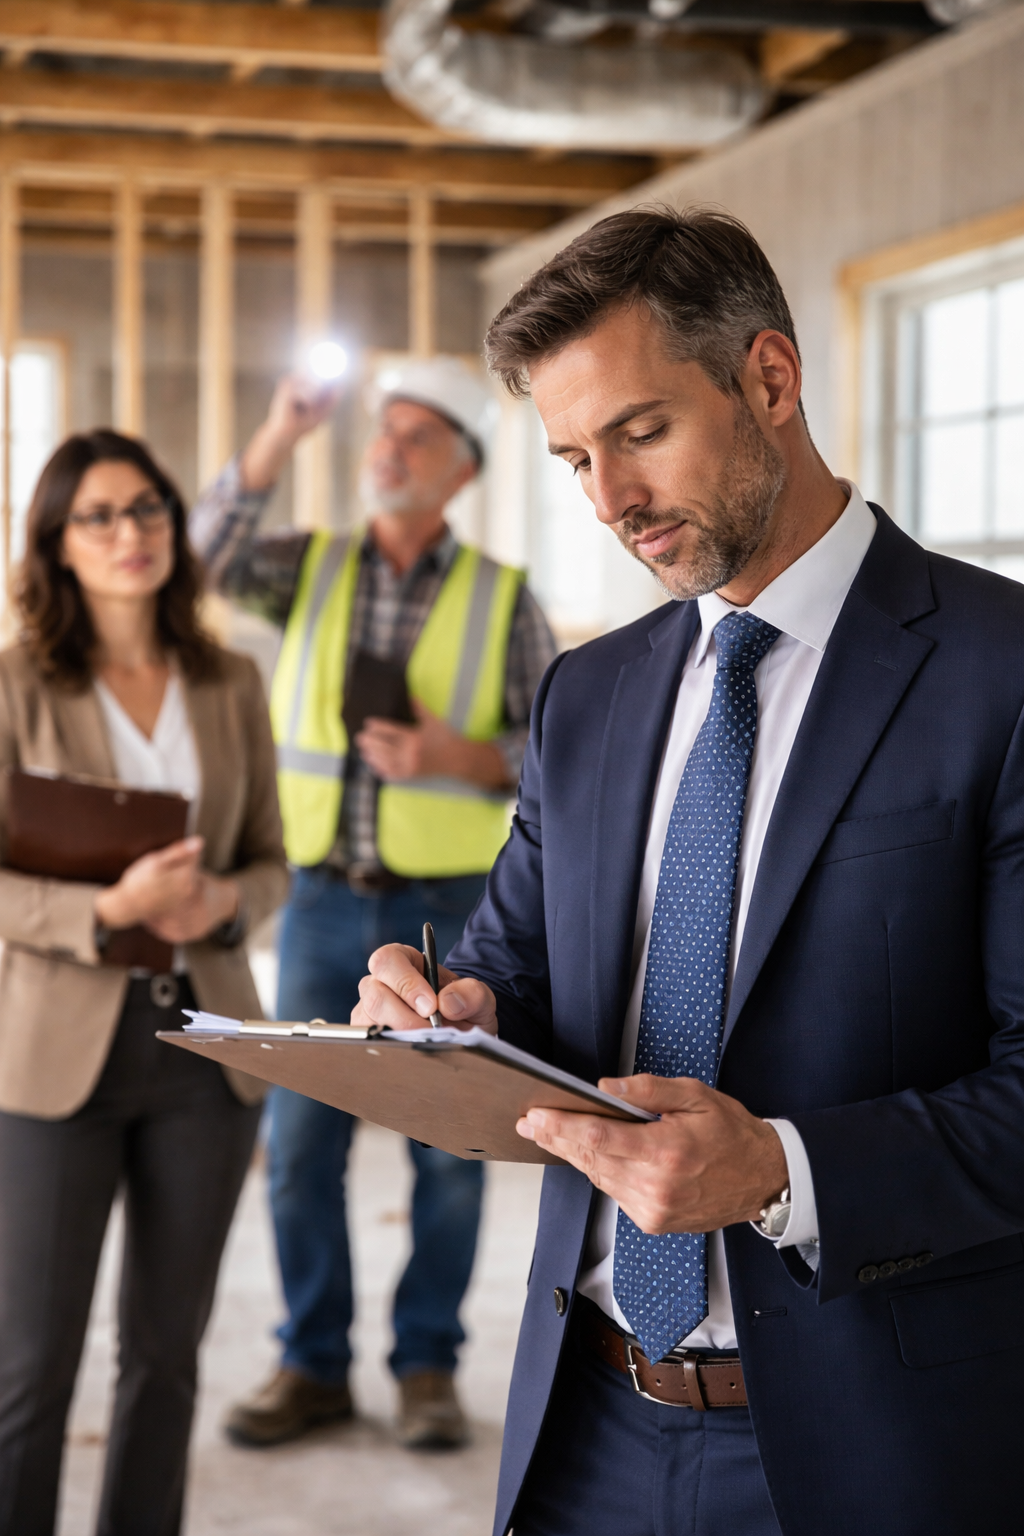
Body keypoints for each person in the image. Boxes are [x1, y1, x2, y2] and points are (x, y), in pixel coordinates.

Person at [354, 206, 1024, 1536]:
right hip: (586, 1424)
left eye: (642, 432)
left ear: (770, 380)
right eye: (574, 459)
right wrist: (456, 1014)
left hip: (877, 1452)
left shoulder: (1001, 673)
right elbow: (518, 970)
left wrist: (781, 1171)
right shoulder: (588, 696)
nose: (611, 500)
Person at [189, 356, 557, 1450]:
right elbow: (203, 559)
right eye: (378, 430)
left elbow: (564, 753)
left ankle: (427, 1366)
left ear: (460, 470)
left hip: (451, 912)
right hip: (317, 903)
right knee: (301, 1148)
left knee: (448, 1155)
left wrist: (468, 755)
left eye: (413, 435)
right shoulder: (312, 567)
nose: (383, 447)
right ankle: (311, 1363)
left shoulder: (502, 597)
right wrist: (277, 431)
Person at [0, 430, 289, 1536]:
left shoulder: (229, 680)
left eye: (150, 510)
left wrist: (223, 904)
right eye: (101, 516)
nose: (132, 534)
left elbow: (270, 862)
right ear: (59, 546)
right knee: (29, 1371)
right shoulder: (17, 682)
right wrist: (105, 912)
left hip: (202, 1051)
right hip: (52, 1061)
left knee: (165, 1360)